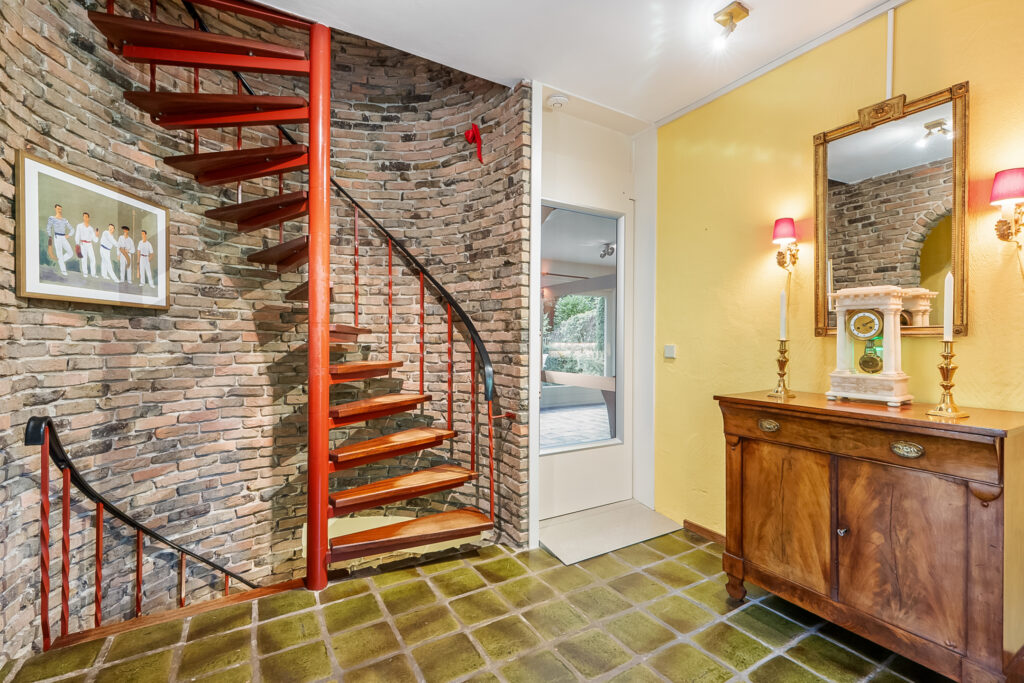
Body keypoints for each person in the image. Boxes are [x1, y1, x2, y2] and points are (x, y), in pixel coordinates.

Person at [45, 204, 73, 276]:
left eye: (60, 209)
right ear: (55, 209)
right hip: (57, 237)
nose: (59, 210)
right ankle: (63, 270)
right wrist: (50, 236)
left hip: (63, 237)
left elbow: (72, 229)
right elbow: (48, 227)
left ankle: (60, 261)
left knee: (70, 253)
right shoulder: (52, 218)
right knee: (59, 253)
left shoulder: (64, 220)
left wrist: (69, 235)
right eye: (58, 209)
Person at [75, 212, 97, 278]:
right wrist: (77, 244)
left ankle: (93, 274)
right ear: (83, 217)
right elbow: (77, 235)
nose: (85, 218)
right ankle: (85, 273)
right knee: (84, 259)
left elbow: (95, 240)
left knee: (93, 259)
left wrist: (97, 235)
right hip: (82, 244)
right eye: (84, 217)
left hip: (89, 244)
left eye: (86, 217)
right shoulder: (79, 226)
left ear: (88, 218)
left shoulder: (91, 228)